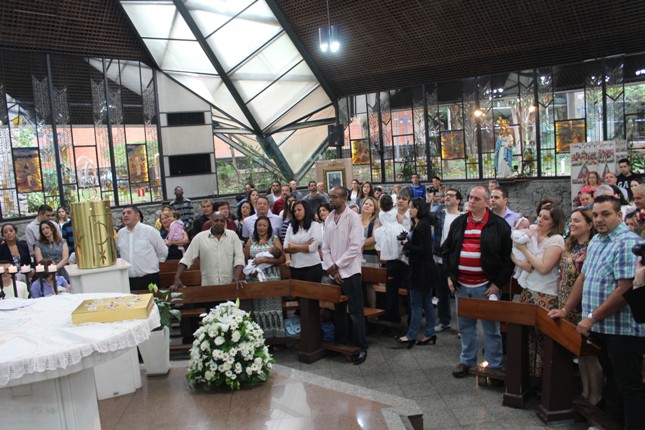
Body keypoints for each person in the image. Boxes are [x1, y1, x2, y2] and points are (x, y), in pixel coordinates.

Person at [554, 195, 644, 428]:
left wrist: (591, 317)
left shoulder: (627, 242)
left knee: (629, 386)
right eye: (595, 215)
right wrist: (565, 310)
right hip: (601, 327)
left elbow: (625, 289)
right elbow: (583, 277)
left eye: (605, 214)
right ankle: (612, 423)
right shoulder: (596, 240)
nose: (599, 219)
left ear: (619, 215)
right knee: (611, 381)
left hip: (622, 329)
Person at [442, 185, 513, 379]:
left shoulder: (498, 225)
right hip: (461, 285)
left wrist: (497, 284)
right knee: (466, 328)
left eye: (476, 199)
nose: (471, 201)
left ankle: (495, 366)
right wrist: (449, 276)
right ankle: (467, 361)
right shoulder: (459, 222)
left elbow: (508, 259)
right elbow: (447, 251)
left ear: (487, 203)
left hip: (486, 287)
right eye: (470, 197)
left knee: (491, 330)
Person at [547, 208, 602, 406]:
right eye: (571, 220)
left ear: (589, 224)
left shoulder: (591, 248)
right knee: (579, 352)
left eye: (577, 221)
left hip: (581, 305)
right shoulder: (571, 245)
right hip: (565, 302)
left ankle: (596, 395)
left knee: (589, 354)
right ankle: (586, 392)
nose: (572, 224)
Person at [511, 204, 565, 377]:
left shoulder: (556, 239)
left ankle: (546, 378)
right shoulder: (532, 232)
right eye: (539, 216)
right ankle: (529, 375)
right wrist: (519, 261)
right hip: (528, 289)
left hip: (545, 294)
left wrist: (524, 250)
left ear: (554, 222)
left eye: (545, 218)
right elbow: (517, 255)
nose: (540, 220)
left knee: (543, 339)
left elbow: (543, 268)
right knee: (527, 336)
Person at [322, 186, 368, 365]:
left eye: (335, 197)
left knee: (355, 312)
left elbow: (354, 247)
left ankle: (360, 347)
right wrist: (332, 269)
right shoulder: (329, 219)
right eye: (330, 196)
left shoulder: (353, 218)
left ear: (344, 198)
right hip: (335, 273)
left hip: (351, 272)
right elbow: (325, 248)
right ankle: (341, 343)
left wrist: (337, 266)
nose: (331, 200)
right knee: (339, 310)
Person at [394, 198, 439, 348]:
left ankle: (411, 335)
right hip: (424, 268)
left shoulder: (422, 226)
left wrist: (407, 244)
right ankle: (430, 333)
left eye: (412, 207)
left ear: (419, 209)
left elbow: (424, 250)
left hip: (421, 269)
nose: (410, 210)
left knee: (416, 304)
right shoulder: (419, 224)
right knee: (426, 302)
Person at [244, 216, 286, 338]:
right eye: (259, 225)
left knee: (274, 306)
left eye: (264, 225)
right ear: (255, 227)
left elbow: (281, 259)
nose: (261, 228)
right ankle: (260, 337)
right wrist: (250, 270)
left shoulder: (274, 239)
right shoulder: (251, 240)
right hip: (255, 279)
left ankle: (276, 337)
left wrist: (264, 260)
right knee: (258, 308)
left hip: (272, 278)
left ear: (268, 227)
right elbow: (245, 259)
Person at [430, 188, 463, 332]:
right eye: (446, 195)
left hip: (457, 261)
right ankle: (444, 321)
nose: (447, 197)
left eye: (451, 195)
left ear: (458, 200)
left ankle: (463, 327)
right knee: (441, 293)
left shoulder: (463, 217)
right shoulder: (439, 214)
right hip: (439, 259)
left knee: (460, 294)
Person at [117, 205, 168, 291]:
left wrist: (153, 264)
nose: (125, 215)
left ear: (137, 215)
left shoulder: (149, 231)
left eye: (129, 213)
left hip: (149, 278)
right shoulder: (120, 233)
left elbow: (163, 251)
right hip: (129, 280)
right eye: (123, 213)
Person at [284, 201, 323, 283]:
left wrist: (293, 246)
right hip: (295, 267)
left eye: (299, 210)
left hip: (312, 267)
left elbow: (312, 248)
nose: (296, 213)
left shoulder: (315, 225)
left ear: (306, 210)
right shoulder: (291, 227)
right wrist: (305, 245)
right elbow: (286, 248)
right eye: (294, 211)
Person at [359, 197, 380, 262]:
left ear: (374, 209)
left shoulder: (376, 221)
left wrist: (358, 243)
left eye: (370, 205)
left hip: (370, 253)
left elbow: (374, 238)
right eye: (366, 204)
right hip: (354, 253)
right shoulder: (356, 218)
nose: (367, 206)